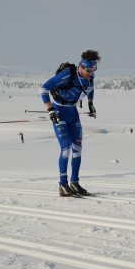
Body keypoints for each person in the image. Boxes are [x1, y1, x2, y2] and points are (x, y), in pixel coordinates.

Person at [40, 49, 100, 196]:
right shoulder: (68, 74)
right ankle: (62, 185)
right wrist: (50, 110)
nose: (91, 73)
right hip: (59, 113)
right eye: (89, 70)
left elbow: (90, 88)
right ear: (82, 66)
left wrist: (90, 104)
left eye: (94, 69)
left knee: (78, 149)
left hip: (73, 113)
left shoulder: (90, 78)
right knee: (66, 149)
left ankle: (74, 183)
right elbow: (43, 89)